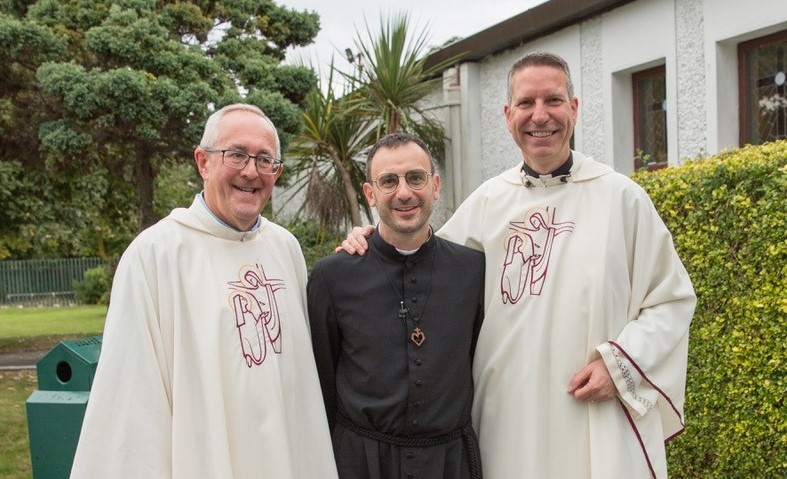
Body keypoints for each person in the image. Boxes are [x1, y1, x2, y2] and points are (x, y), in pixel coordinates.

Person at [340, 52, 697, 479]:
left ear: (575, 108)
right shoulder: (488, 202)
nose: (539, 116)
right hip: (505, 418)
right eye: (526, 103)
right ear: (508, 115)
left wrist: (619, 364)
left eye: (554, 100)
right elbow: (418, 261)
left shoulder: (622, 199)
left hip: (593, 413)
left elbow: (672, 300)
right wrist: (368, 238)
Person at [71, 104, 338, 478]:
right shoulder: (156, 255)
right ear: (203, 162)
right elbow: (132, 400)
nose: (251, 171)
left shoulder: (285, 248)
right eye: (237, 155)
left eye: (265, 160)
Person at [308, 132, 485, 479]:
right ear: (370, 194)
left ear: (435, 185)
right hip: (361, 462)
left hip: (449, 463)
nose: (404, 192)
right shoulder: (333, 277)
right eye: (389, 181)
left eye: (415, 178)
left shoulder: (473, 269)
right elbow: (321, 381)